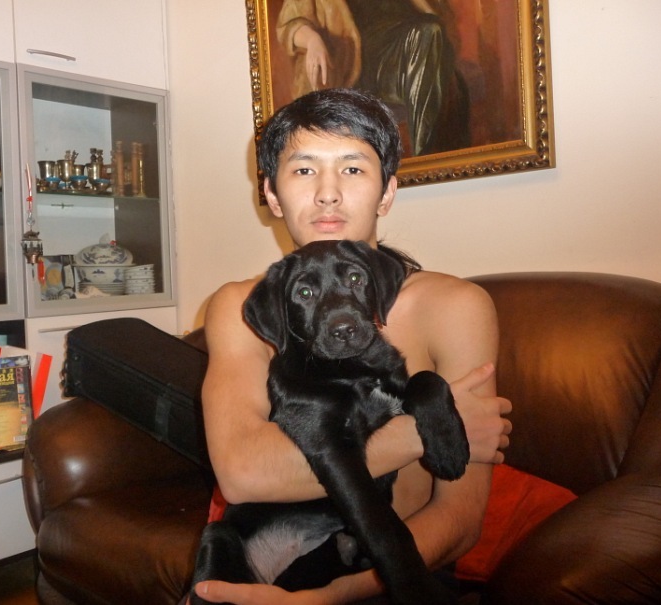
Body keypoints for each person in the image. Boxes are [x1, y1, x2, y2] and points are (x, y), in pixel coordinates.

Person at [192, 88, 511, 604]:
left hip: (392, 581)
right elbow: (242, 474)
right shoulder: (238, 306)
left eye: (353, 168)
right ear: (272, 194)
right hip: (263, 565)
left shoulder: (455, 306)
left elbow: (460, 516)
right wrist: (416, 433)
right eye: (304, 170)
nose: (328, 194)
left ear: (387, 192)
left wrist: (337, 596)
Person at [276, 0, 469, 156]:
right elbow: (290, 25)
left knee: (437, 49)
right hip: (361, 62)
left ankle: (434, 163)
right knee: (428, 33)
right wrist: (312, 39)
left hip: (410, 45)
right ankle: (428, 160)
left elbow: (440, 14)